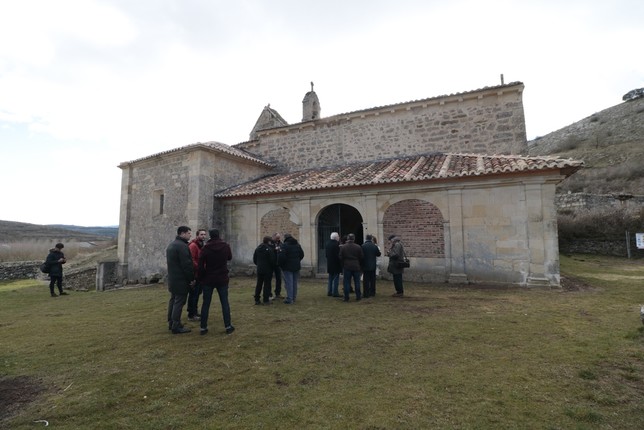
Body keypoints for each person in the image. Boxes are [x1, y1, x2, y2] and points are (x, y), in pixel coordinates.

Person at [198, 228, 234, 335]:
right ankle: (228, 326)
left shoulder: (205, 248)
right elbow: (229, 257)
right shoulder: (225, 246)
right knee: (224, 302)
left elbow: (200, 265)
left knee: (206, 303)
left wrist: (201, 277)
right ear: (218, 235)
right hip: (222, 277)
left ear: (210, 235)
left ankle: (203, 327)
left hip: (209, 278)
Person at [166, 226, 195, 334]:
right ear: (182, 233)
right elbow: (187, 265)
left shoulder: (172, 245)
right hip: (181, 280)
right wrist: (191, 279)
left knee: (173, 300)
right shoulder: (182, 246)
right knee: (179, 302)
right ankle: (176, 325)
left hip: (173, 279)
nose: (190, 235)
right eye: (188, 233)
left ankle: (171, 322)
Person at [278, 233, 304, 304]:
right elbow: (302, 254)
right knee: (294, 282)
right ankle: (293, 297)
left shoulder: (284, 246)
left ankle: (290, 298)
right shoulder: (297, 245)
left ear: (285, 238)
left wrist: (281, 264)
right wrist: (297, 261)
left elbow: (281, 257)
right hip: (296, 266)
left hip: (287, 267)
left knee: (289, 283)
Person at [187, 229, 207, 321]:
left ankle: (194, 311)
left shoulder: (201, 245)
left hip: (200, 274)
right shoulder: (193, 246)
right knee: (193, 294)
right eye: (201, 234)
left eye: (204, 234)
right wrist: (199, 267)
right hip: (195, 274)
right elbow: (191, 260)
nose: (203, 236)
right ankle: (191, 314)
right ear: (197, 235)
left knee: (197, 294)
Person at [339, 233, 363, 301]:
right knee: (357, 282)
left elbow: (340, 257)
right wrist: (358, 262)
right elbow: (361, 257)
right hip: (356, 266)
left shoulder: (343, 247)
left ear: (347, 239)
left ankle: (346, 297)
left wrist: (343, 263)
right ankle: (358, 296)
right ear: (354, 239)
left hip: (347, 266)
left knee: (346, 282)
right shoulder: (358, 247)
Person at [253, 236, 276, 305]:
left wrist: (259, 265)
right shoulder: (269, 249)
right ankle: (266, 300)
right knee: (267, 284)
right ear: (268, 241)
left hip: (260, 269)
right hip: (267, 269)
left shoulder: (258, 248)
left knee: (259, 284)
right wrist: (273, 266)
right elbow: (272, 260)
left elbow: (255, 259)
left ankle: (257, 299)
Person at [325, 232, 341, 297]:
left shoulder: (327, 244)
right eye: (338, 237)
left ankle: (329, 291)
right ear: (336, 237)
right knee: (336, 279)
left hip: (330, 263)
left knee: (330, 278)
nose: (339, 238)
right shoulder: (336, 245)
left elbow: (326, 255)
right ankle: (335, 292)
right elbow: (338, 255)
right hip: (336, 264)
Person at [271, 233, 284, 299]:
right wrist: (274, 249)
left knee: (279, 279)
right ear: (273, 237)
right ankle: (269, 294)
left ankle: (277, 293)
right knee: (269, 279)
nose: (278, 239)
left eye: (279, 238)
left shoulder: (281, 243)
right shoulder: (270, 243)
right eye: (277, 238)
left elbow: (282, 250)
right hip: (271, 264)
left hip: (278, 264)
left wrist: (280, 250)